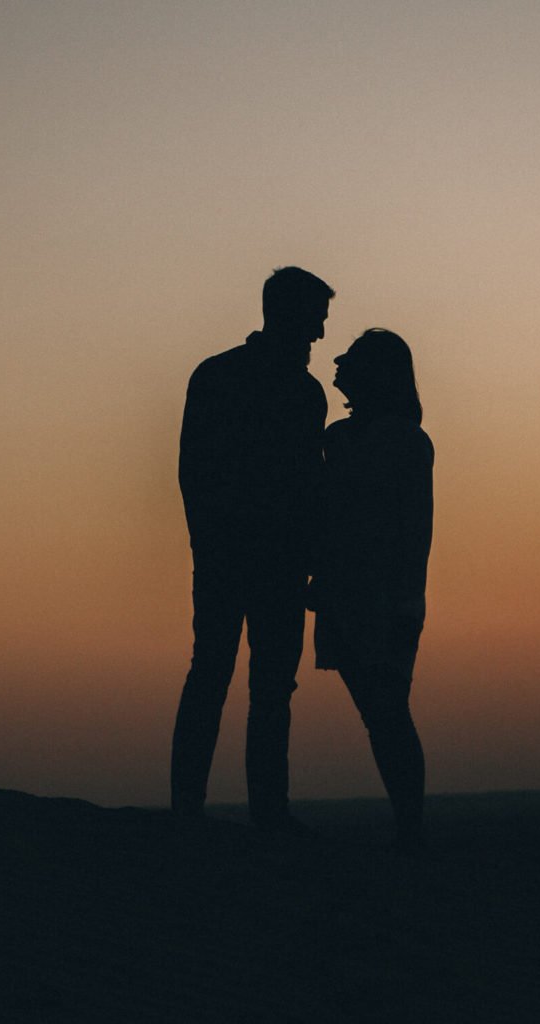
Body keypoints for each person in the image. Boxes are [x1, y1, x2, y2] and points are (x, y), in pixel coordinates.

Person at [171, 266, 335, 829]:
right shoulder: (236, 380)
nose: (318, 336)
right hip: (252, 559)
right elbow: (197, 474)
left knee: (236, 680)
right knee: (242, 682)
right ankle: (250, 813)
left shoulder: (229, 377)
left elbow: (306, 485)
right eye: (315, 322)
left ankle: (229, 810)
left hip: (262, 561)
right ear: (287, 316)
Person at [309, 329, 433, 851]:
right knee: (381, 714)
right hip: (345, 593)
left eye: (353, 361)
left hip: (384, 596)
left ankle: (411, 829)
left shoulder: (405, 441)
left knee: (387, 713)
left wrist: (401, 599)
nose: (338, 365)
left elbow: (412, 529)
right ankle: (410, 828)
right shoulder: (339, 437)